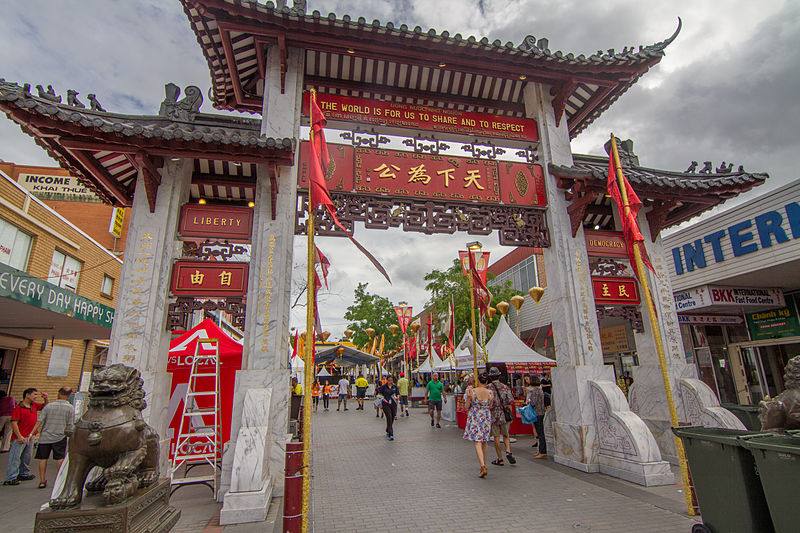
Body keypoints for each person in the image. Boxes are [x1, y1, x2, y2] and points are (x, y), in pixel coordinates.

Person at [4, 387, 47, 486]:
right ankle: (10, 477)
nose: (36, 397)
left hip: (30, 436)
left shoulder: (34, 405)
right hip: (20, 437)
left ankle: (23, 473)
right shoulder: (18, 409)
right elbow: (14, 423)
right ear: (27, 395)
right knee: (15, 457)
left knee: (26, 457)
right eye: (34, 394)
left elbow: (45, 407)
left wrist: (46, 398)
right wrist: (19, 436)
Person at [32, 387, 73, 488]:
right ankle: (59, 480)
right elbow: (70, 424)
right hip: (60, 436)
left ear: (58, 394)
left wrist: (32, 433)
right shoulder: (70, 408)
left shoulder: (49, 406)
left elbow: (40, 420)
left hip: (45, 436)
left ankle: (42, 481)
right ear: (68, 396)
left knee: (43, 459)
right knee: (59, 458)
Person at [463, 372, 493, 478]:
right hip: (486, 416)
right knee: (484, 441)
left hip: (476, 416)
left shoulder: (472, 391)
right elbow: (490, 405)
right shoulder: (490, 392)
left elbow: (467, 406)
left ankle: (482, 465)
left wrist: (469, 401)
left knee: (477, 442)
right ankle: (483, 464)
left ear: (478, 381)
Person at [487, 367, 516, 466]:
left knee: (496, 436)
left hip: (493, 414)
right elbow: (510, 402)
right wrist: (511, 415)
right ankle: (508, 451)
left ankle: (500, 458)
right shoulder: (505, 387)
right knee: (506, 435)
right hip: (504, 414)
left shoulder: (488, 388)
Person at [527, 376, 547, 459]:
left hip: (537, 413)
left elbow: (533, 403)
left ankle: (542, 451)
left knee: (540, 432)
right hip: (541, 412)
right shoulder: (540, 390)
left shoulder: (535, 391)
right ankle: (540, 450)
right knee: (540, 432)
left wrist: (528, 403)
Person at [377, 375, 399, 440]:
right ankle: (391, 434)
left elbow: (398, 393)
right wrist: (382, 398)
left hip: (393, 403)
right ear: (387, 380)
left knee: (392, 417)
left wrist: (397, 397)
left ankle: (388, 429)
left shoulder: (395, 387)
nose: (390, 382)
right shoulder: (383, 387)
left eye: (391, 380)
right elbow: (379, 394)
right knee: (389, 416)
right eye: (389, 380)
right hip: (385, 404)